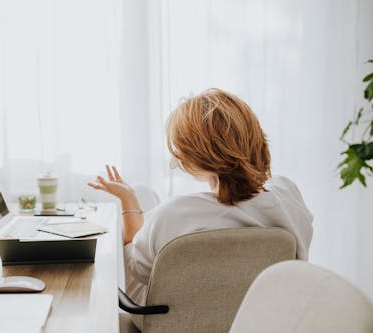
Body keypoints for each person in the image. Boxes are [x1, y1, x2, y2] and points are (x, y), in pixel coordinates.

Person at [88, 88, 313, 330]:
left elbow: (138, 272)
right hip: (260, 320)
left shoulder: (171, 215)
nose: (175, 162)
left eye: (181, 152)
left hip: (171, 324)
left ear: (201, 155)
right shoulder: (288, 194)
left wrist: (129, 201)